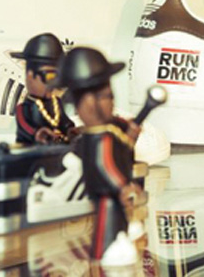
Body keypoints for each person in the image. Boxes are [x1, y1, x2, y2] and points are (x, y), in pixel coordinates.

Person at [56, 47, 143, 263]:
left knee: (120, 222)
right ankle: (104, 253)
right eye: (106, 97)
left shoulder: (108, 131)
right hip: (108, 196)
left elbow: (122, 149)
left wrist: (130, 136)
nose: (112, 101)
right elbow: (105, 165)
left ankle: (117, 246)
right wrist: (122, 186)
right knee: (107, 225)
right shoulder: (98, 139)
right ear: (87, 104)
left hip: (116, 195)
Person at [12, 33, 76, 144]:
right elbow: (25, 127)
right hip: (31, 150)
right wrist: (37, 133)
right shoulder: (23, 108)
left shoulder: (56, 102)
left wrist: (70, 129)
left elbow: (64, 121)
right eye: (49, 76)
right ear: (30, 76)